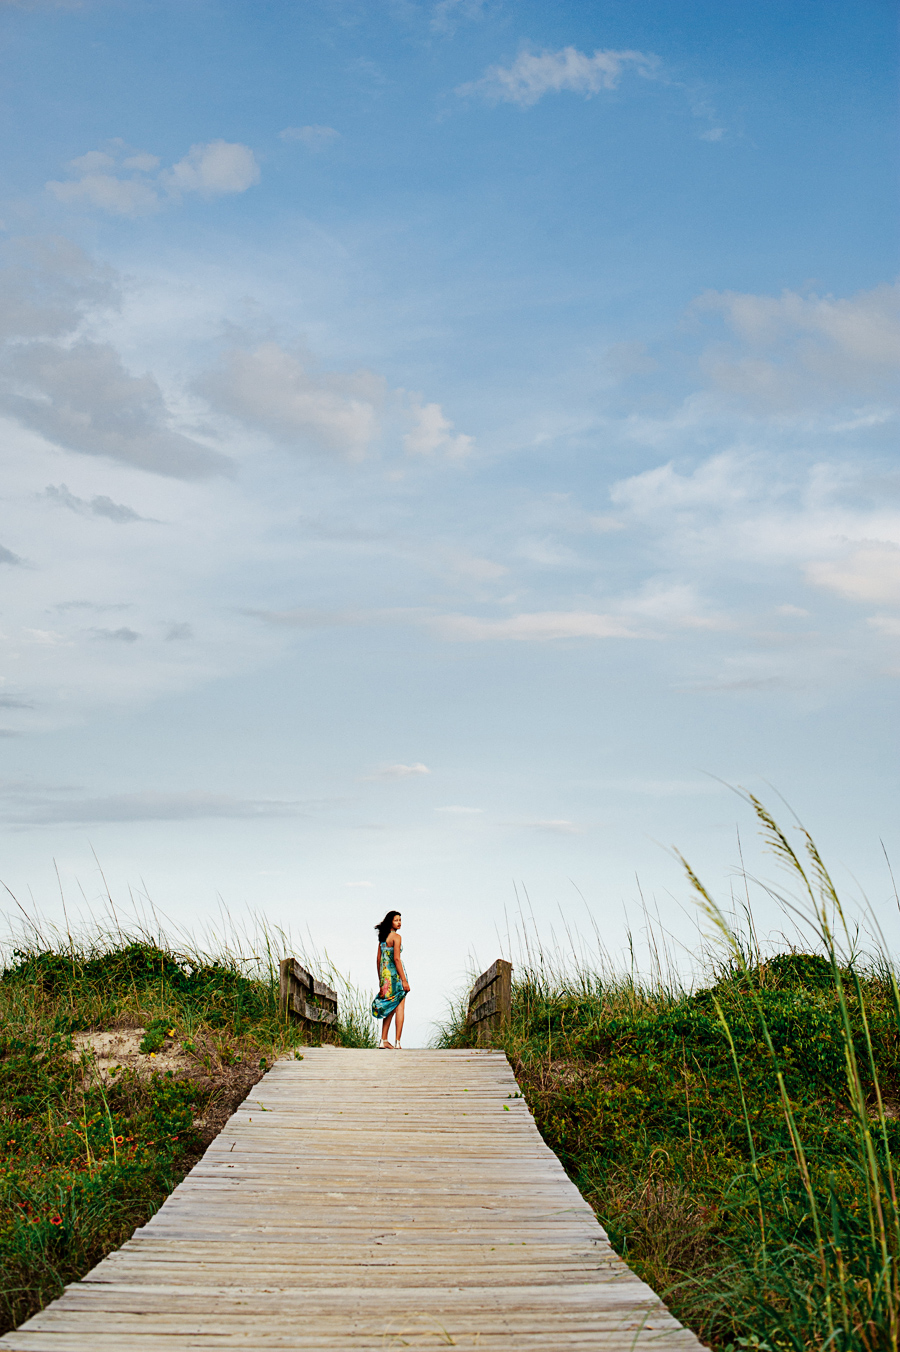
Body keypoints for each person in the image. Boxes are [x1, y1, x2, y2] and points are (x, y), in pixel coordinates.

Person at [371, 910, 410, 1049]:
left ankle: (383, 1040)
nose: (399, 922)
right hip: (396, 976)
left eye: (400, 920)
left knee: (389, 1007)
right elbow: (397, 959)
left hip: (385, 977)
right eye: (396, 920)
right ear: (390, 922)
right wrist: (404, 980)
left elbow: (378, 959)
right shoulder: (396, 937)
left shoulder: (383, 938)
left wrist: (381, 979)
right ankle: (398, 1042)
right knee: (399, 1008)